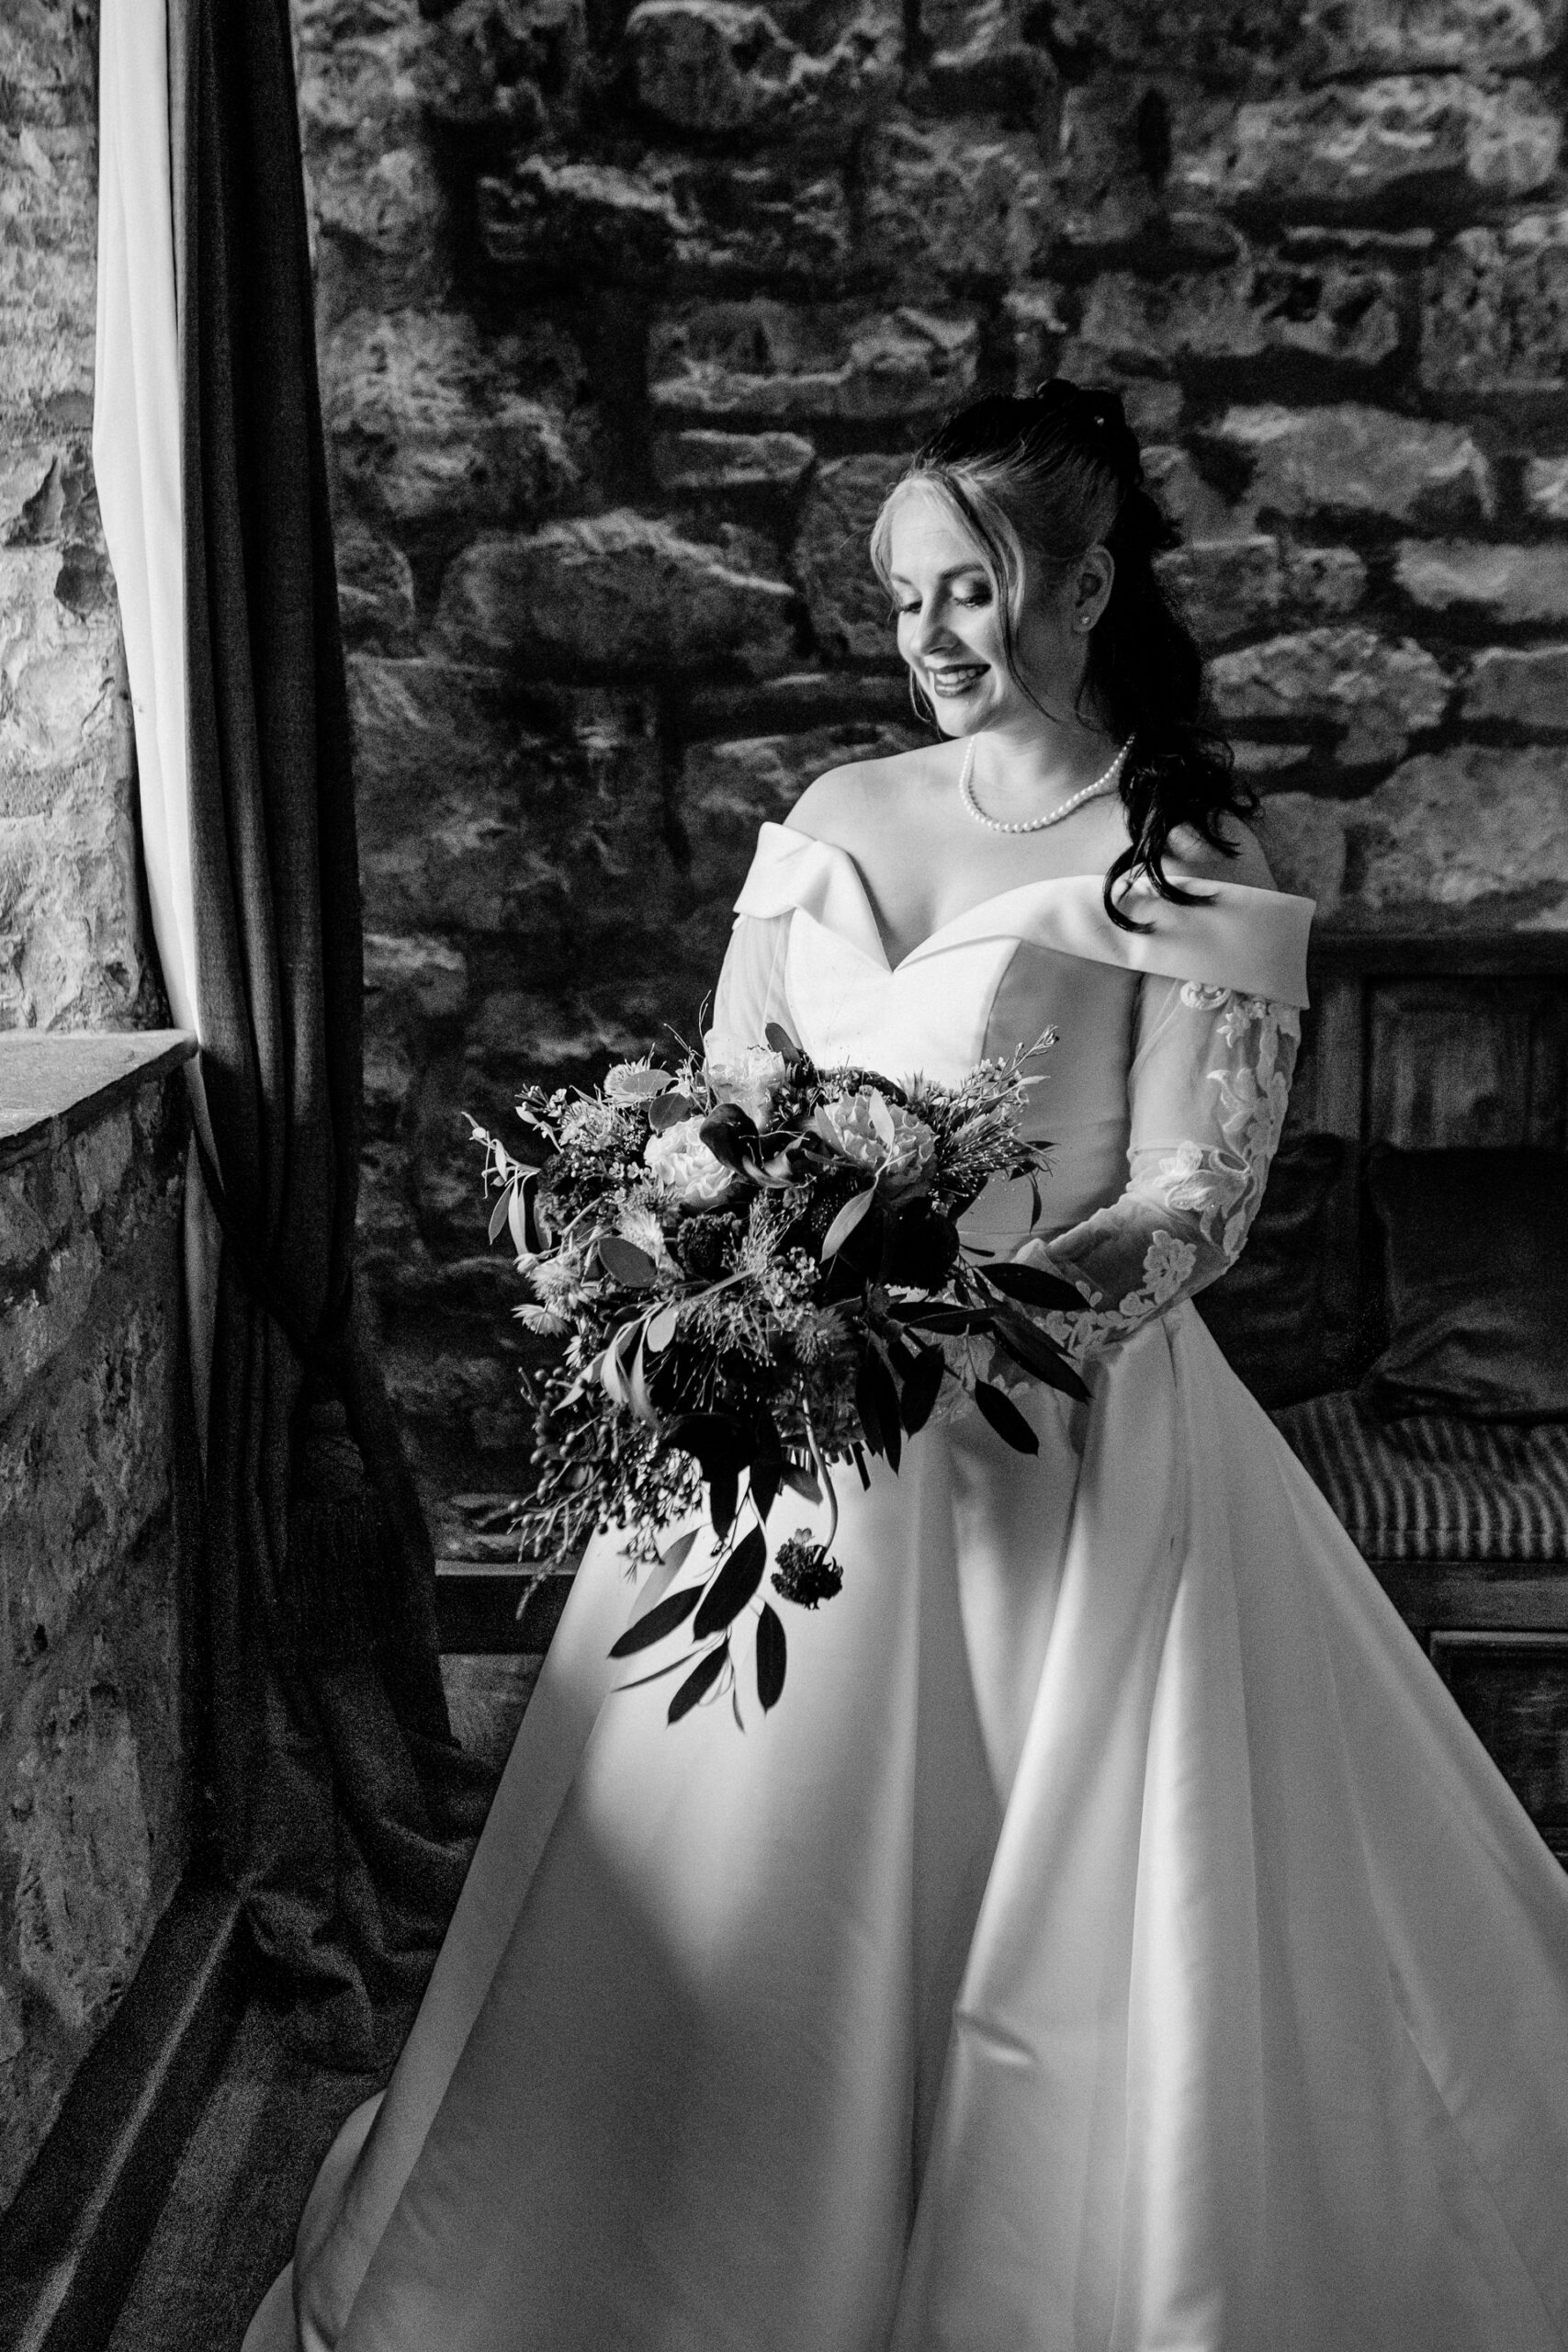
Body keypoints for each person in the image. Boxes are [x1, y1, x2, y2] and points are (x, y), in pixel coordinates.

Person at [246, 381, 1568, 2352]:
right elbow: (717, 1106)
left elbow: (1189, 1201)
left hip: (1045, 1438)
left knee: (1065, 1930)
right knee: (713, 1901)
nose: (931, 636)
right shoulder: (836, 817)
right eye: (900, 598)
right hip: (774, 1442)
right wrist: (683, 1268)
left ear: (1086, 582)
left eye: (972, 589)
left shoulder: (1179, 843)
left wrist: (942, 1328)